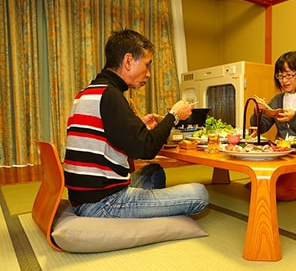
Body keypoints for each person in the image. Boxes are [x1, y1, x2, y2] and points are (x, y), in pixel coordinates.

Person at [63, 29, 209, 218]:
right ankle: (144, 212)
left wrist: (136, 124)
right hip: (102, 204)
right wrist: (173, 116)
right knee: (199, 194)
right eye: (147, 65)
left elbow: (108, 131)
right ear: (128, 61)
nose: (148, 74)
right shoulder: (110, 96)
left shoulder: (88, 92)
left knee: (154, 173)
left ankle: (148, 210)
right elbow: (146, 149)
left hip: (83, 197)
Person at [250, 51, 296, 201]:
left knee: (280, 191)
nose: (285, 80)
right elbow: (262, 128)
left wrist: (294, 118)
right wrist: (258, 113)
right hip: (282, 156)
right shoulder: (277, 99)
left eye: (289, 75)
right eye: (280, 76)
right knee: (258, 187)